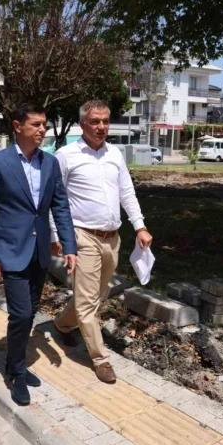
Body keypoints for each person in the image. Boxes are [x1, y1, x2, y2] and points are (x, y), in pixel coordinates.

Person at [0, 103, 77, 406]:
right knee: (20, 313)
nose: (42, 129)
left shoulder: (50, 163)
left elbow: (60, 206)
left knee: (30, 311)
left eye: (44, 124)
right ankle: (17, 373)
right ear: (17, 126)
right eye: (35, 124)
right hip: (10, 250)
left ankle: (14, 362)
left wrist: (69, 246)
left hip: (39, 250)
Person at [51, 100, 153, 384]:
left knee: (97, 295)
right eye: (95, 121)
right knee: (87, 302)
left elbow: (127, 193)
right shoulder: (65, 156)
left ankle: (61, 324)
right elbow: (54, 199)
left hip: (112, 238)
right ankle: (100, 358)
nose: (101, 127)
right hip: (82, 236)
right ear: (82, 123)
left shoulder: (115, 154)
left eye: (106, 121)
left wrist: (140, 226)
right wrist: (56, 235)